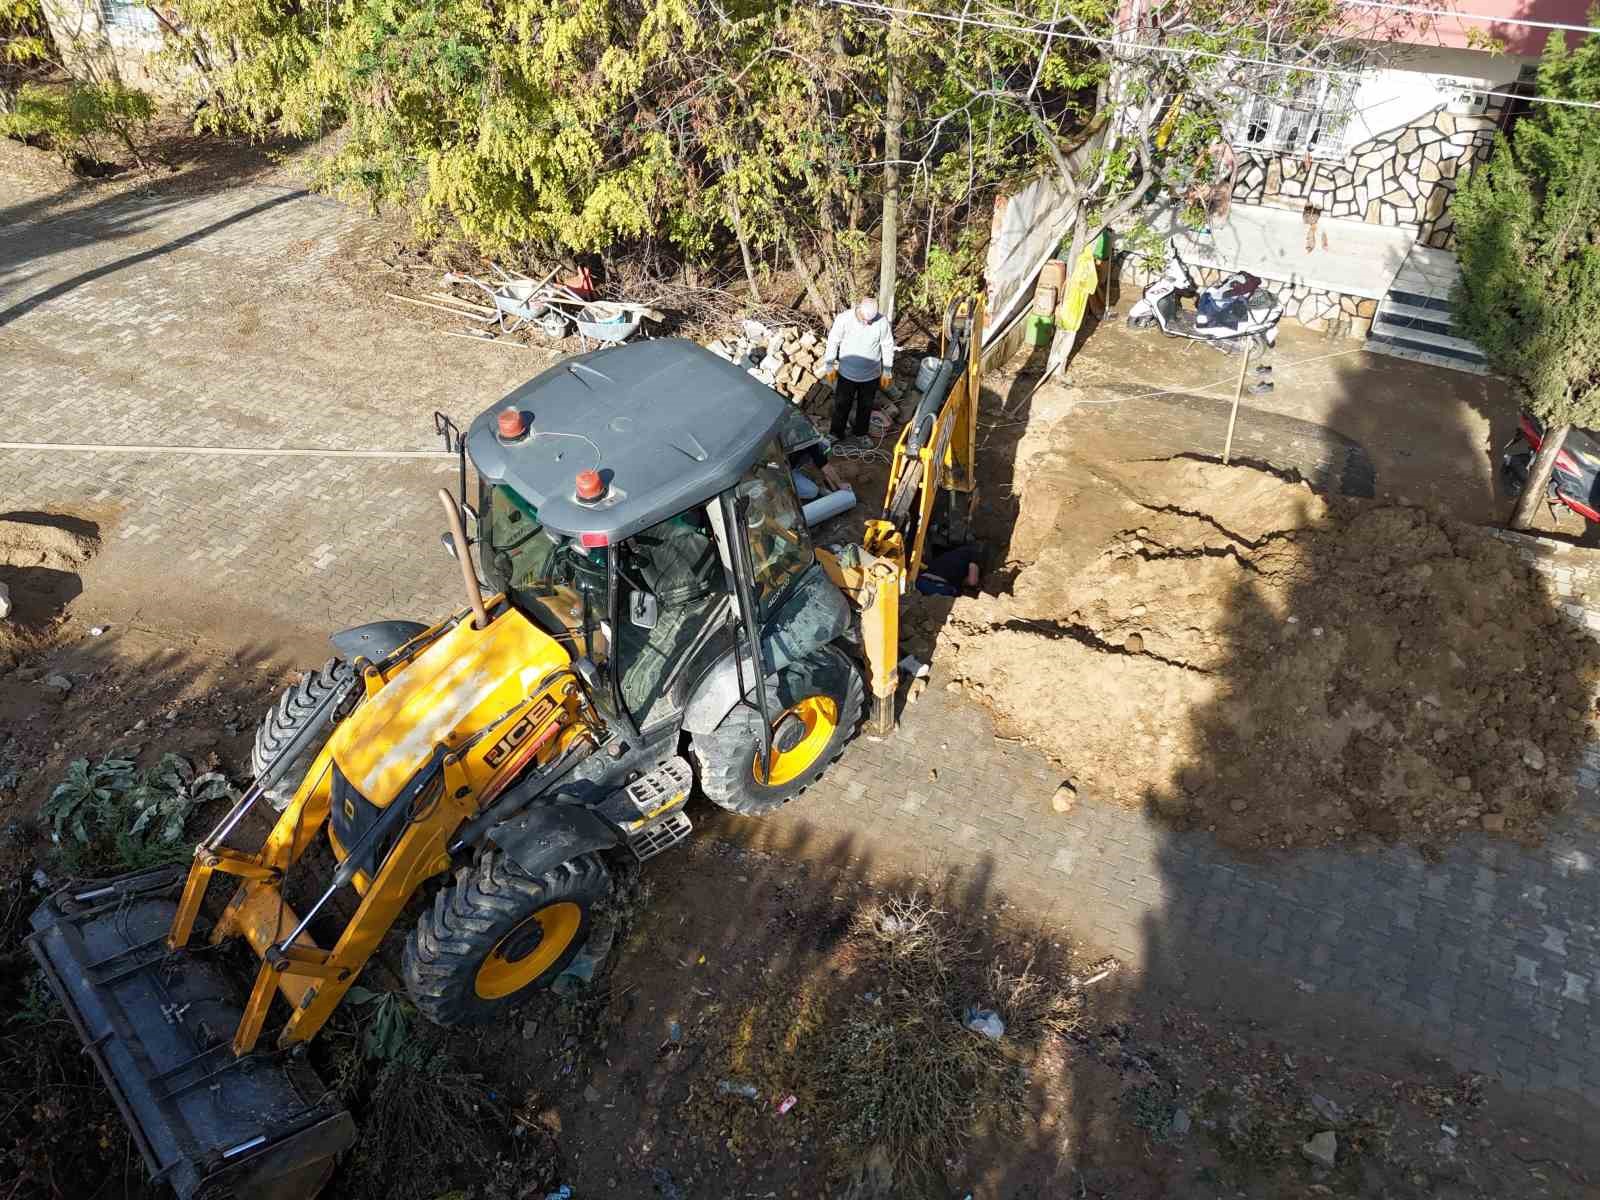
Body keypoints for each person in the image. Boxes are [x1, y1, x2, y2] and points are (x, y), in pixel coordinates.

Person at [822, 296, 895, 441]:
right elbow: (833, 341)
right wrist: (829, 364)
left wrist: (887, 369)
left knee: (865, 407)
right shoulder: (844, 319)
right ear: (859, 309)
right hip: (846, 374)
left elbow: (887, 345)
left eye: (870, 320)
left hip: (871, 376)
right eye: (864, 319)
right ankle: (835, 434)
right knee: (841, 405)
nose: (867, 322)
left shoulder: (881, 322)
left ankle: (861, 434)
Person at [777, 407, 845, 501]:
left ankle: (813, 478)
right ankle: (786, 488)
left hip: (794, 464)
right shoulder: (778, 442)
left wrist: (839, 483)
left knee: (825, 445)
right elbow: (776, 465)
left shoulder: (806, 436)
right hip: (782, 470)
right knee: (811, 491)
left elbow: (823, 463)